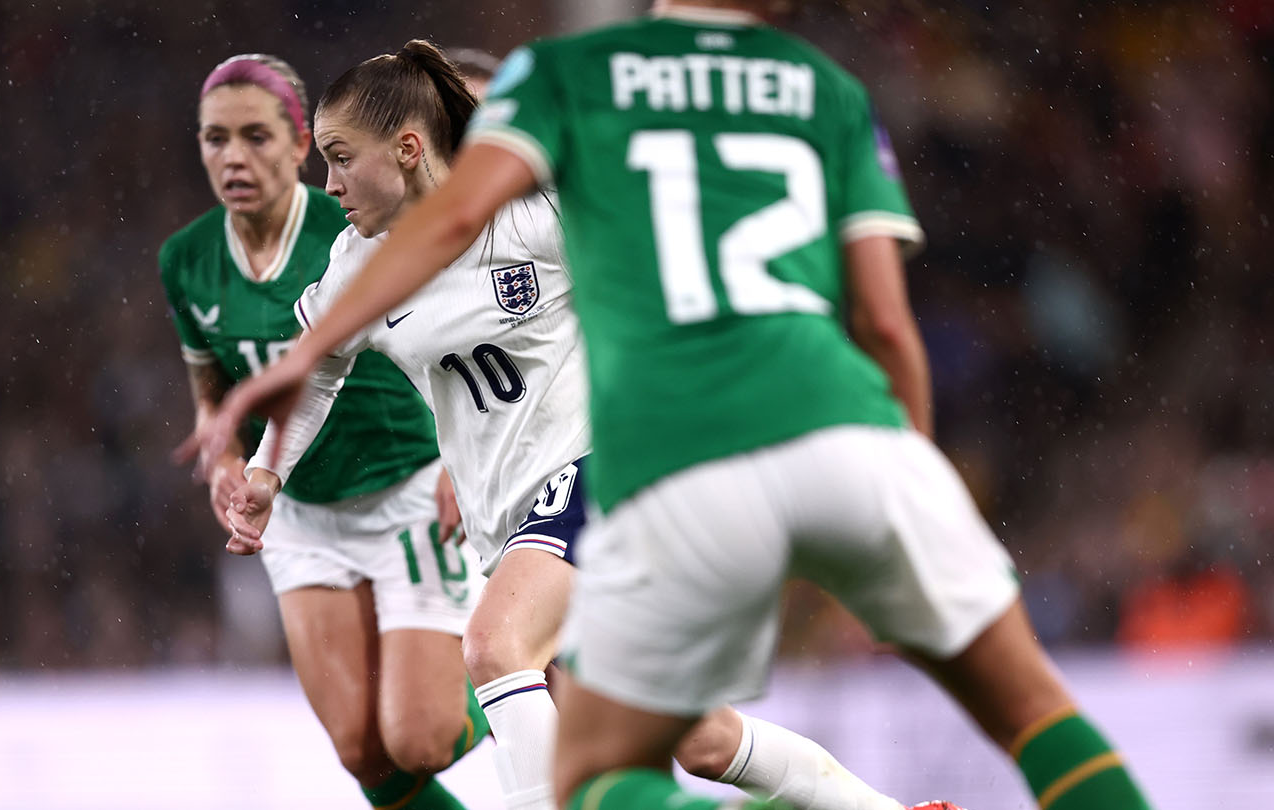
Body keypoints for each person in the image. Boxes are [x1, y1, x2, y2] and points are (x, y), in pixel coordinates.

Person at [184, 4, 1161, 810]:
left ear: (406, 149)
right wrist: (269, 471)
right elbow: (315, 376)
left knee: (495, 648)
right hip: (503, 514)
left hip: (598, 473)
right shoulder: (357, 265)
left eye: (340, 159)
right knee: (692, 737)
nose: (326, 183)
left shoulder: (538, 218)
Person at [158, 53, 486, 810]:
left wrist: (458, 459)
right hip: (300, 512)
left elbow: (447, 341)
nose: (233, 156)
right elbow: (214, 388)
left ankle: (529, 669)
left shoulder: (356, 227)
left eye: (256, 136)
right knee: (362, 752)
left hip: (404, 485)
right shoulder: (187, 260)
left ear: (301, 141)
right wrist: (228, 460)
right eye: (214, 138)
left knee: (421, 739)